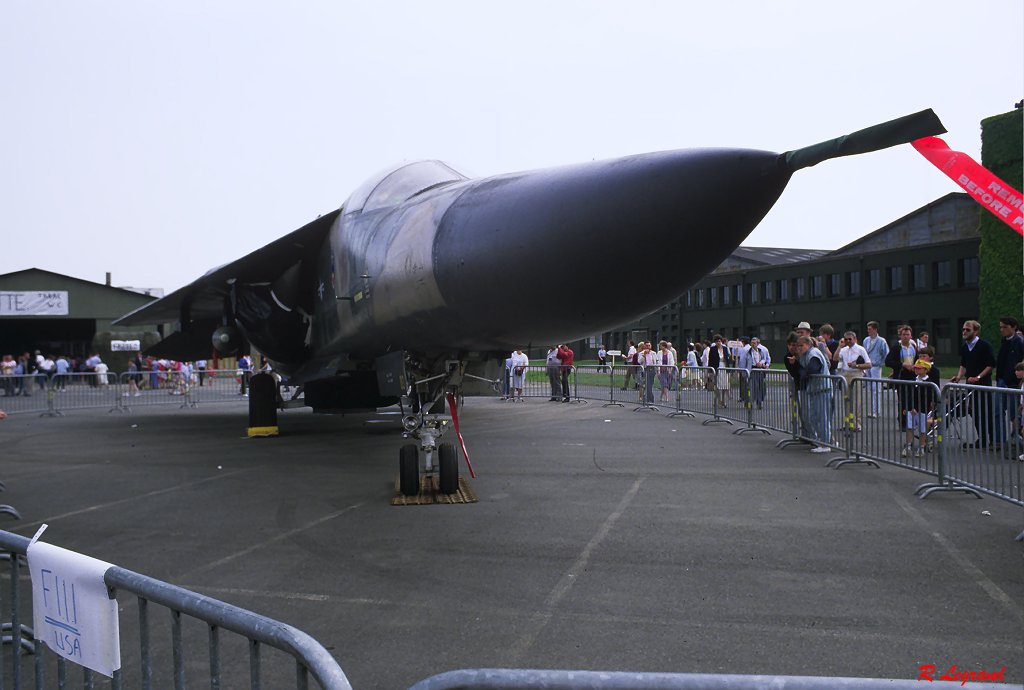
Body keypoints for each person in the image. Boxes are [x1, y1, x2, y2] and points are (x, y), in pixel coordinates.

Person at [950, 320, 996, 448]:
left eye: (967, 330)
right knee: (974, 411)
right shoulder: (965, 347)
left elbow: (991, 364)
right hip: (970, 384)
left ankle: (992, 439)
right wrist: (959, 376)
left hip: (983, 384)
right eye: (963, 329)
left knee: (986, 411)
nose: (964, 332)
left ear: (976, 331)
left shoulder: (984, 345)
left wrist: (978, 377)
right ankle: (981, 438)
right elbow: (963, 364)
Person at [796, 335, 833, 452]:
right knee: (815, 417)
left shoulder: (813, 353)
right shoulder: (806, 355)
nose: (799, 348)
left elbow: (813, 369)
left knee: (821, 418)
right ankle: (823, 441)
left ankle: (825, 444)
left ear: (809, 344)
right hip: (815, 390)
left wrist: (804, 374)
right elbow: (801, 370)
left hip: (822, 389)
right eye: (798, 346)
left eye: (802, 345)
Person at [994, 317, 1024, 451]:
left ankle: (1016, 438)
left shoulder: (1019, 342)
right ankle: (1000, 440)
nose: (1002, 330)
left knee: (1014, 412)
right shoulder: (1004, 342)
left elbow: (1016, 362)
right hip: (1002, 380)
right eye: (1000, 327)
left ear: (1013, 327)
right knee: (998, 411)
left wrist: (1015, 379)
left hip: (1012, 382)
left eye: (1005, 327)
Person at [835, 331, 871, 431]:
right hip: (845, 374)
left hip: (856, 374)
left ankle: (856, 424)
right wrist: (839, 347)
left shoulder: (860, 349)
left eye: (850, 339)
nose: (848, 341)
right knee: (846, 400)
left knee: (856, 400)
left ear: (855, 339)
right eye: (846, 339)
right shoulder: (844, 350)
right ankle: (847, 423)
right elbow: (835, 358)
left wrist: (857, 365)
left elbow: (869, 364)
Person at [885, 325, 919, 426]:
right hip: (901, 377)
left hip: (912, 376)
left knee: (912, 399)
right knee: (903, 400)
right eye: (903, 335)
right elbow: (888, 362)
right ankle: (903, 422)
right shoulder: (896, 348)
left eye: (907, 334)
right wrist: (902, 365)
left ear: (911, 336)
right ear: (900, 336)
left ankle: (911, 421)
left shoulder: (913, 347)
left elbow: (917, 359)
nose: (905, 337)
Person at [902, 359, 937, 458]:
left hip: (922, 410)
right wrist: (907, 407)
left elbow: (927, 398)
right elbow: (908, 395)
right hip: (911, 409)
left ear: (926, 370)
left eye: (919, 368)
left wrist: (917, 408)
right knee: (909, 427)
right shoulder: (913, 380)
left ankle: (921, 447)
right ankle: (908, 446)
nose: (916, 370)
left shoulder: (929, 383)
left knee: (922, 429)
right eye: (916, 368)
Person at [862, 321, 889, 419]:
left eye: (870, 329)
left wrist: (881, 363)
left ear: (875, 329)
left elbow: (886, 353)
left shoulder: (881, 341)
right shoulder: (866, 340)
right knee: (870, 388)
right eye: (868, 329)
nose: (868, 331)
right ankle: (873, 409)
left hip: (876, 366)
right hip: (868, 366)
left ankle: (876, 411)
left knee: (876, 388)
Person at [747, 336, 770, 408]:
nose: (753, 344)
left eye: (754, 343)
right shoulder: (748, 351)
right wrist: (744, 371)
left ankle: (759, 402)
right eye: (752, 343)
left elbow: (765, 358)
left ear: (757, 343)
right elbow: (744, 361)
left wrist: (761, 363)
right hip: (752, 370)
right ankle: (750, 402)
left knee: (760, 387)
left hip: (760, 370)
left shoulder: (761, 350)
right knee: (752, 387)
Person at [706, 334, 729, 407]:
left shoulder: (725, 348)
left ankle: (724, 400)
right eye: (717, 341)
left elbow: (728, 358)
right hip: (716, 368)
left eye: (719, 341)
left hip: (724, 367)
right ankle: (718, 400)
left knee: (725, 386)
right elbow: (710, 360)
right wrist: (710, 371)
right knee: (717, 385)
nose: (718, 343)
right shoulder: (712, 349)